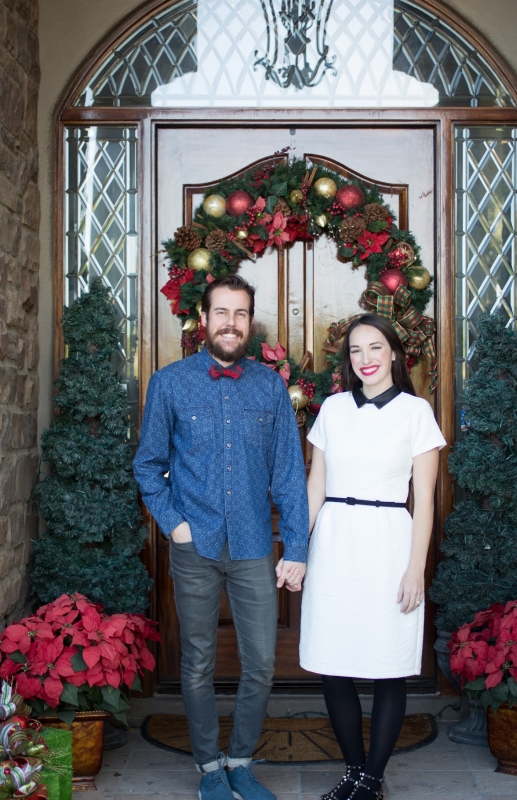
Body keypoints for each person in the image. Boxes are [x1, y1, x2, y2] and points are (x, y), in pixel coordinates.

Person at [133, 274, 309, 800]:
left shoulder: (270, 386)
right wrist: (176, 526)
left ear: (249, 323)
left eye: (240, 314)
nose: (231, 323)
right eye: (222, 313)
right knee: (199, 662)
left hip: (255, 545)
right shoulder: (169, 383)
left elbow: (288, 474)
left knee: (259, 663)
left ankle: (240, 761)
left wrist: (296, 548)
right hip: (195, 546)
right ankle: (209, 766)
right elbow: (149, 466)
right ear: (203, 320)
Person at [300, 313, 446, 800]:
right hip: (336, 543)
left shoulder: (416, 412)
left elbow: (423, 500)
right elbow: (315, 486)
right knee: (333, 661)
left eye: (375, 348)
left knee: (389, 663)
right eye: (356, 351)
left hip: (389, 542)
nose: (366, 359)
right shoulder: (333, 410)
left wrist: (415, 569)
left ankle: (372, 779)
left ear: (394, 354)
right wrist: (298, 549)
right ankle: (353, 770)